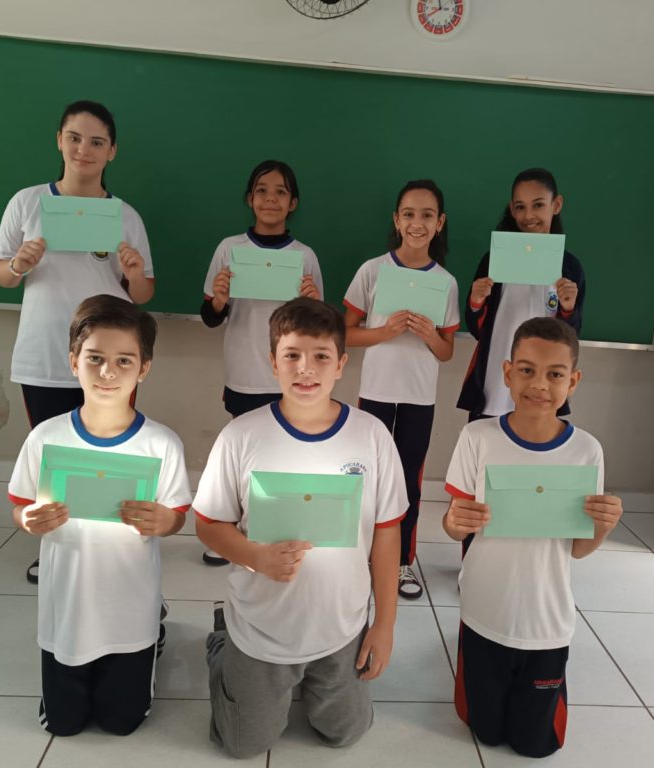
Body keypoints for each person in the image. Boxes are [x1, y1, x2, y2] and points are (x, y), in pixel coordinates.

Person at [193, 297, 406, 758]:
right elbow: (209, 524)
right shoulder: (242, 436)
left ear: (341, 365)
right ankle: (222, 641)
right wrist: (256, 557)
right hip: (262, 627)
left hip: (341, 625)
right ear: (273, 362)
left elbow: (388, 532)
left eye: (321, 356)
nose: (305, 368)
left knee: (345, 733)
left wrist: (384, 625)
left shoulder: (371, 436)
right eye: (291, 355)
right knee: (242, 745)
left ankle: (312, 676)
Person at [7, 294, 191, 736]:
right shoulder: (46, 438)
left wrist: (165, 521)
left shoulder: (161, 443)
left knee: (121, 722)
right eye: (95, 358)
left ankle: (153, 631)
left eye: (124, 360)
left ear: (143, 369)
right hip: (67, 605)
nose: (108, 372)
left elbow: (177, 515)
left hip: (130, 606)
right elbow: (20, 505)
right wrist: (28, 519)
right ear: (74, 361)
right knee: (62, 725)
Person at [0, 100, 155, 584]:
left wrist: (134, 274)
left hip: (109, 360)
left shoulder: (125, 216)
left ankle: (109, 544)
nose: (85, 149)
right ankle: (57, 545)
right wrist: (19, 264)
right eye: (75, 138)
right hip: (44, 352)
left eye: (97, 142)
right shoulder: (27, 203)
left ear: (112, 151)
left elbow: (144, 293)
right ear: (59, 141)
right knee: (54, 456)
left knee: (110, 452)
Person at [443, 317, 623, 758]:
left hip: (547, 620)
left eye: (555, 374)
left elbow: (578, 550)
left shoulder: (586, 450)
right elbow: (453, 526)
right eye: (526, 370)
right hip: (484, 611)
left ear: (573, 382)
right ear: (507, 373)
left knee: (536, 744)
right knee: (484, 731)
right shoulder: (477, 437)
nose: (539, 385)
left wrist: (603, 526)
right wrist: (455, 521)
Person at [199, 160, 323, 566]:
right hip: (244, 371)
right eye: (262, 191)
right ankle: (232, 532)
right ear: (250, 199)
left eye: (281, 192)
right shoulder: (229, 249)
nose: (271, 199)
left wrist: (312, 302)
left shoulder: (304, 256)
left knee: (287, 454)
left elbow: (317, 327)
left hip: (292, 377)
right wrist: (219, 300)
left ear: (293, 203)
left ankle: (279, 528)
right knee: (242, 454)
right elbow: (210, 316)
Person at [343, 179, 459, 599]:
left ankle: (402, 562)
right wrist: (384, 331)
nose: (417, 223)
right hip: (376, 392)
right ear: (396, 220)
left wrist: (429, 335)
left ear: (440, 223)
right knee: (367, 476)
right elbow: (344, 333)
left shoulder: (445, 282)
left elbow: (446, 352)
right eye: (409, 214)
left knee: (408, 480)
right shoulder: (372, 270)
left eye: (427, 215)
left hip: (418, 398)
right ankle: (361, 554)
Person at [457, 168, 585, 421]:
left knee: (533, 440)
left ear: (556, 205)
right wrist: (476, 302)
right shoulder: (494, 260)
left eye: (538, 205)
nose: (528, 216)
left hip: (541, 389)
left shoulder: (569, 267)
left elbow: (570, 337)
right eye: (520, 207)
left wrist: (568, 307)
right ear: (512, 210)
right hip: (493, 383)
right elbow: (477, 328)